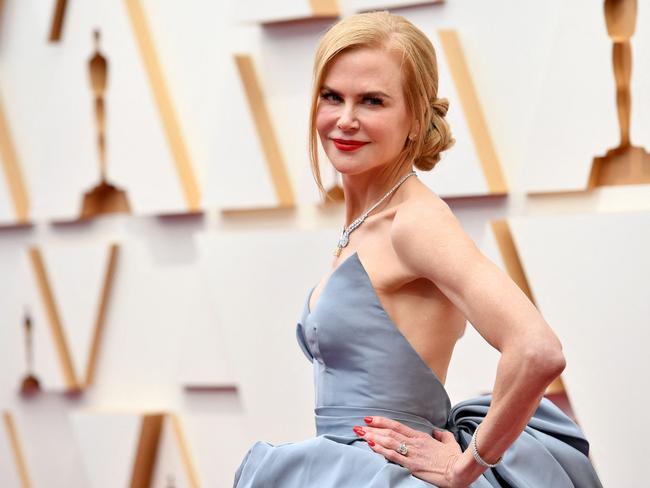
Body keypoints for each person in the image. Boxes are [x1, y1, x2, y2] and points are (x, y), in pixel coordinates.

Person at [234, 11, 602, 488]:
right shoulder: (365, 220)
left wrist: (467, 464)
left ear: (414, 118)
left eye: (372, 101)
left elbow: (537, 350)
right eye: (332, 97)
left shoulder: (414, 221)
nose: (345, 120)